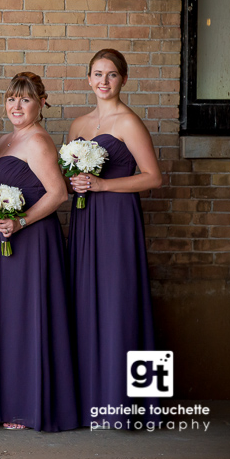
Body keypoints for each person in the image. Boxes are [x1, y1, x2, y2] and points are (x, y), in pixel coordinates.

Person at [67, 49, 162, 428]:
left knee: (122, 301)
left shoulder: (129, 122)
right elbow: (68, 176)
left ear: (123, 79)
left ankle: (136, 405)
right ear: (88, 79)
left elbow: (153, 177)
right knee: (85, 301)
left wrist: (104, 185)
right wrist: (75, 184)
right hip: (84, 219)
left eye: (111, 74)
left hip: (118, 219)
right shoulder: (78, 124)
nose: (103, 81)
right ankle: (92, 400)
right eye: (97, 74)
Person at [0, 72, 78, 432]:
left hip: (33, 239)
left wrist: (21, 222)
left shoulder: (38, 140)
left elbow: (58, 193)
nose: (17, 106)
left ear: (41, 103)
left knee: (29, 318)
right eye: (11, 99)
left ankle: (30, 404)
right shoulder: (5, 140)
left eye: (25, 99)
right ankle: (11, 399)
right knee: (10, 320)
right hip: (7, 238)